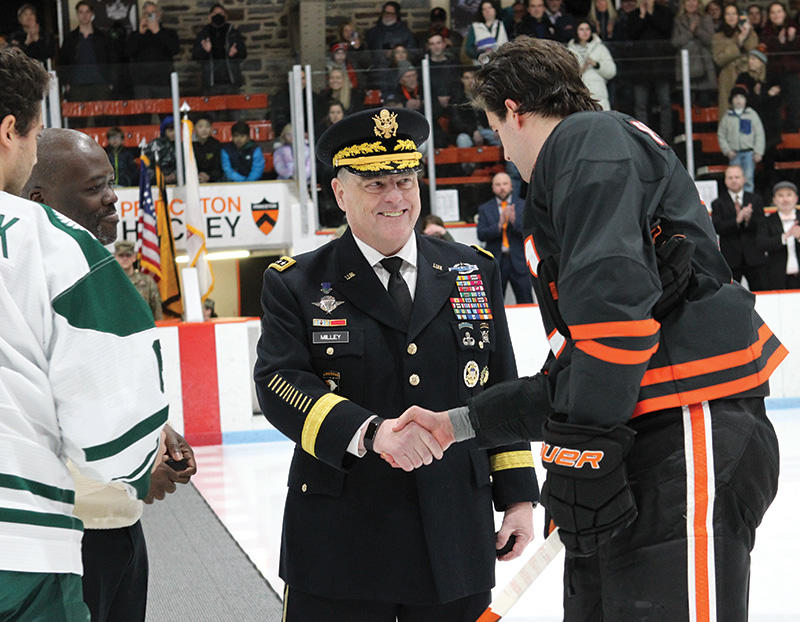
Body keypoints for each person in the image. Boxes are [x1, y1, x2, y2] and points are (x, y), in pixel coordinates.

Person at [394, 38, 785, 621]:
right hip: (643, 433)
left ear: (515, 110)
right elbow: (583, 366)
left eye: (495, 128)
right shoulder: (583, 161)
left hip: (685, 425)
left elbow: (616, 321)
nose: (501, 150)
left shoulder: (586, 144)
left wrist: (587, 447)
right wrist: (460, 424)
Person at [253, 107, 539, 621]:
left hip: (453, 536)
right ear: (340, 194)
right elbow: (278, 382)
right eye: (375, 184)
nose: (395, 197)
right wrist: (370, 432)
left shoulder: (473, 270)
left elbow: (500, 386)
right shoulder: (295, 282)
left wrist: (518, 497)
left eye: (405, 180)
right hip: (341, 543)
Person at [0, 47, 167, 620]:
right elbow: (115, 434)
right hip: (26, 543)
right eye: (34, 132)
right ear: (8, 133)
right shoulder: (52, 244)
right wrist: (141, 467)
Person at [21, 127, 197, 622]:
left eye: (111, 183)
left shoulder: (92, 270)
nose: (112, 199)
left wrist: (155, 435)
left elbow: (94, 391)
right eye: (94, 187)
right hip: (63, 538)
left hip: (117, 526)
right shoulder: (27, 281)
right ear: (41, 198)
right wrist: (139, 471)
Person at [477, 172, 534, 303]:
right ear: (492, 187)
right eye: (498, 184)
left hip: (519, 262)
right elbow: (481, 234)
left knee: (525, 299)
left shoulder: (523, 205)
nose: (502, 187)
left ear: (511, 186)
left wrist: (515, 222)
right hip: (496, 261)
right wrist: (499, 225)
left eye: (505, 184)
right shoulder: (485, 208)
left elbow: (530, 232)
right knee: (494, 301)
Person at [711, 164, 768, 289]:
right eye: (730, 177)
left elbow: (762, 225)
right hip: (731, 259)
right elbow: (717, 227)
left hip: (754, 257)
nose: (734, 180)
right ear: (725, 180)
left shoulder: (755, 199)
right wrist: (737, 220)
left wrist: (748, 220)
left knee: (761, 292)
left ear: (744, 179)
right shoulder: (718, 203)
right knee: (731, 295)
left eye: (737, 177)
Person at [59, 0, 117, 103]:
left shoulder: (102, 37)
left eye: (87, 12)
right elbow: (62, 62)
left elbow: (112, 60)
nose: (84, 15)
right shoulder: (70, 38)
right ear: (77, 14)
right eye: (81, 12)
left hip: (100, 84)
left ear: (92, 14)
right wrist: (66, 83)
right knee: (78, 118)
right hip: (77, 85)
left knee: (103, 118)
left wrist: (111, 82)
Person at [126, 1, 180, 100]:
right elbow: (129, 52)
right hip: (142, 83)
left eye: (153, 13)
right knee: (143, 114)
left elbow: (175, 49)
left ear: (159, 15)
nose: (150, 16)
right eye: (147, 13)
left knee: (166, 114)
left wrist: (157, 32)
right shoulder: (135, 35)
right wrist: (140, 33)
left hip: (163, 82)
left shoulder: (169, 33)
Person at [759, 1, 800, 131]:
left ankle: (793, 134)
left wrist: (792, 39)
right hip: (773, 74)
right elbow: (765, 54)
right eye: (773, 12)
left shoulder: (795, 28)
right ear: (769, 15)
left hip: (792, 74)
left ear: (785, 13)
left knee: (794, 103)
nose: (776, 15)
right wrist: (779, 42)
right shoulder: (765, 31)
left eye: (779, 11)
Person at [712, 2, 758, 116]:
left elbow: (754, 52)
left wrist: (746, 33)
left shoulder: (749, 32)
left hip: (747, 76)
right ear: (723, 17)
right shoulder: (718, 37)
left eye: (734, 13)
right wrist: (738, 42)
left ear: (739, 16)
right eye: (728, 14)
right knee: (727, 114)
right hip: (727, 79)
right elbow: (719, 59)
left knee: (748, 115)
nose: (731, 17)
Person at [191, 3, 247, 95]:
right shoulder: (204, 34)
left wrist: (235, 54)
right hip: (211, 83)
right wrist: (205, 51)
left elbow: (243, 53)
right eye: (215, 13)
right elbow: (195, 56)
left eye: (221, 13)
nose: (218, 16)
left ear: (226, 16)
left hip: (230, 82)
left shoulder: (233, 33)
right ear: (209, 17)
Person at [717, 85, 765, 193]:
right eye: (736, 97)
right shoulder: (727, 117)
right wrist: (727, 150)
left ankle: (747, 202)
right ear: (731, 100)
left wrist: (758, 152)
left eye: (741, 97)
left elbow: (759, 134)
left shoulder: (752, 115)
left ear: (746, 100)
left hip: (749, 153)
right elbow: (721, 135)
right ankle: (736, 201)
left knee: (748, 178)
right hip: (734, 154)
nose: (738, 100)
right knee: (734, 179)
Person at [671, 0, 717, 106]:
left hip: (704, 68)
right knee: (686, 106)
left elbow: (711, 41)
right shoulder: (678, 20)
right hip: (686, 68)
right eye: (688, 1)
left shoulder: (706, 18)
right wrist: (690, 32)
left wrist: (697, 31)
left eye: (694, 0)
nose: (691, 3)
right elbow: (675, 42)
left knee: (704, 105)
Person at [567, 20, 617, 110]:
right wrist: (582, 68)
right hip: (579, 94)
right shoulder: (570, 50)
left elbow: (612, 71)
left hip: (599, 93)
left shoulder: (600, 48)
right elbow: (567, 75)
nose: (585, 32)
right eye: (581, 29)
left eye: (587, 29)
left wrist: (597, 65)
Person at [761, 180, 800, 289]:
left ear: (796, 198)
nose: (785, 199)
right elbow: (761, 244)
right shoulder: (767, 221)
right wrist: (784, 237)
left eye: (789, 195)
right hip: (778, 278)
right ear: (774, 200)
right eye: (780, 195)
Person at [113, 240, 163, 320]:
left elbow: (156, 309)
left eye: (128, 255)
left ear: (134, 257)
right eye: (121, 255)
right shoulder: (110, 282)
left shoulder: (147, 281)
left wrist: (160, 329)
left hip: (143, 327)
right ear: (115, 257)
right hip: (118, 328)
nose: (125, 258)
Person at [144, 116, 177, 184]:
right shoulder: (154, 145)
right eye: (170, 130)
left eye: (175, 130)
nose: (174, 133)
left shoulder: (181, 146)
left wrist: (176, 175)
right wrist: (161, 178)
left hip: (178, 182)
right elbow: (146, 166)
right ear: (164, 131)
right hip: (156, 184)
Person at [193, 114, 223, 183]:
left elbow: (219, 167)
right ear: (194, 129)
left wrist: (209, 176)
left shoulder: (216, 144)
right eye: (200, 127)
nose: (204, 130)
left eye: (207, 126)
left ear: (211, 129)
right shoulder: (189, 145)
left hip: (213, 181)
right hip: (193, 180)